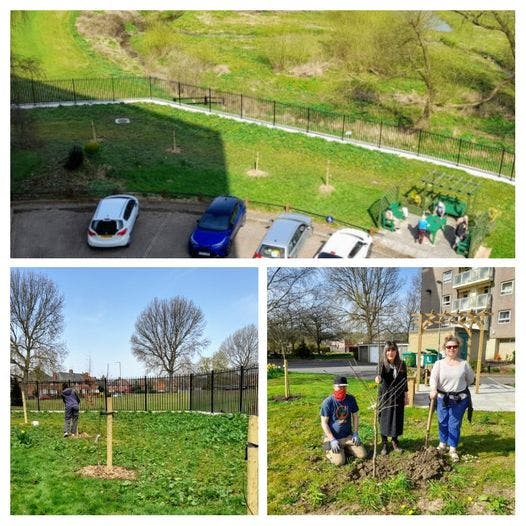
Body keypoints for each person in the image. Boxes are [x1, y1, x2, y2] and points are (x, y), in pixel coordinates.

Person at [429, 336, 475, 462]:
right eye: (449, 347)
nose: (452, 349)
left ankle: (453, 448)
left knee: (453, 423)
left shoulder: (464, 364)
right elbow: (433, 378)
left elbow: (471, 379)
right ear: (445, 348)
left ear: (458, 348)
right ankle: (442, 444)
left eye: (454, 346)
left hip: (459, 399)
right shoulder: (439, 364)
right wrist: (433, 389)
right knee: (442, 421)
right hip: (442, 398)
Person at [320, 376, 367, 466]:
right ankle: (328, 449)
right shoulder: (328, 402)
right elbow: (324, 423)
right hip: (334, 438)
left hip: (347, 437)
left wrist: (355, 433)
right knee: (339, 462)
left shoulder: (351, 399)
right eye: (339, 387)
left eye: (344, 387)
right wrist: (332, 439)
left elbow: (355, 416)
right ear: (334, 387)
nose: (342, 389)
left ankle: (344, 448)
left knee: (363, 455)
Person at [374, 342, 408, 455]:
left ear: (396, 351)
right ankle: (384, 443)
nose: (391, 352)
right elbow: (379, 376)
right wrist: (378, 378)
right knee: (384, 418)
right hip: (386, 396)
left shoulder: (402, 364)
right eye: (388, 350)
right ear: (385, 352)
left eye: (393, 350)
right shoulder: (382, 364)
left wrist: (406, 395)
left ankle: (394, 441)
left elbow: (405, 381)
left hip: (398, 396)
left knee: (397, 418)